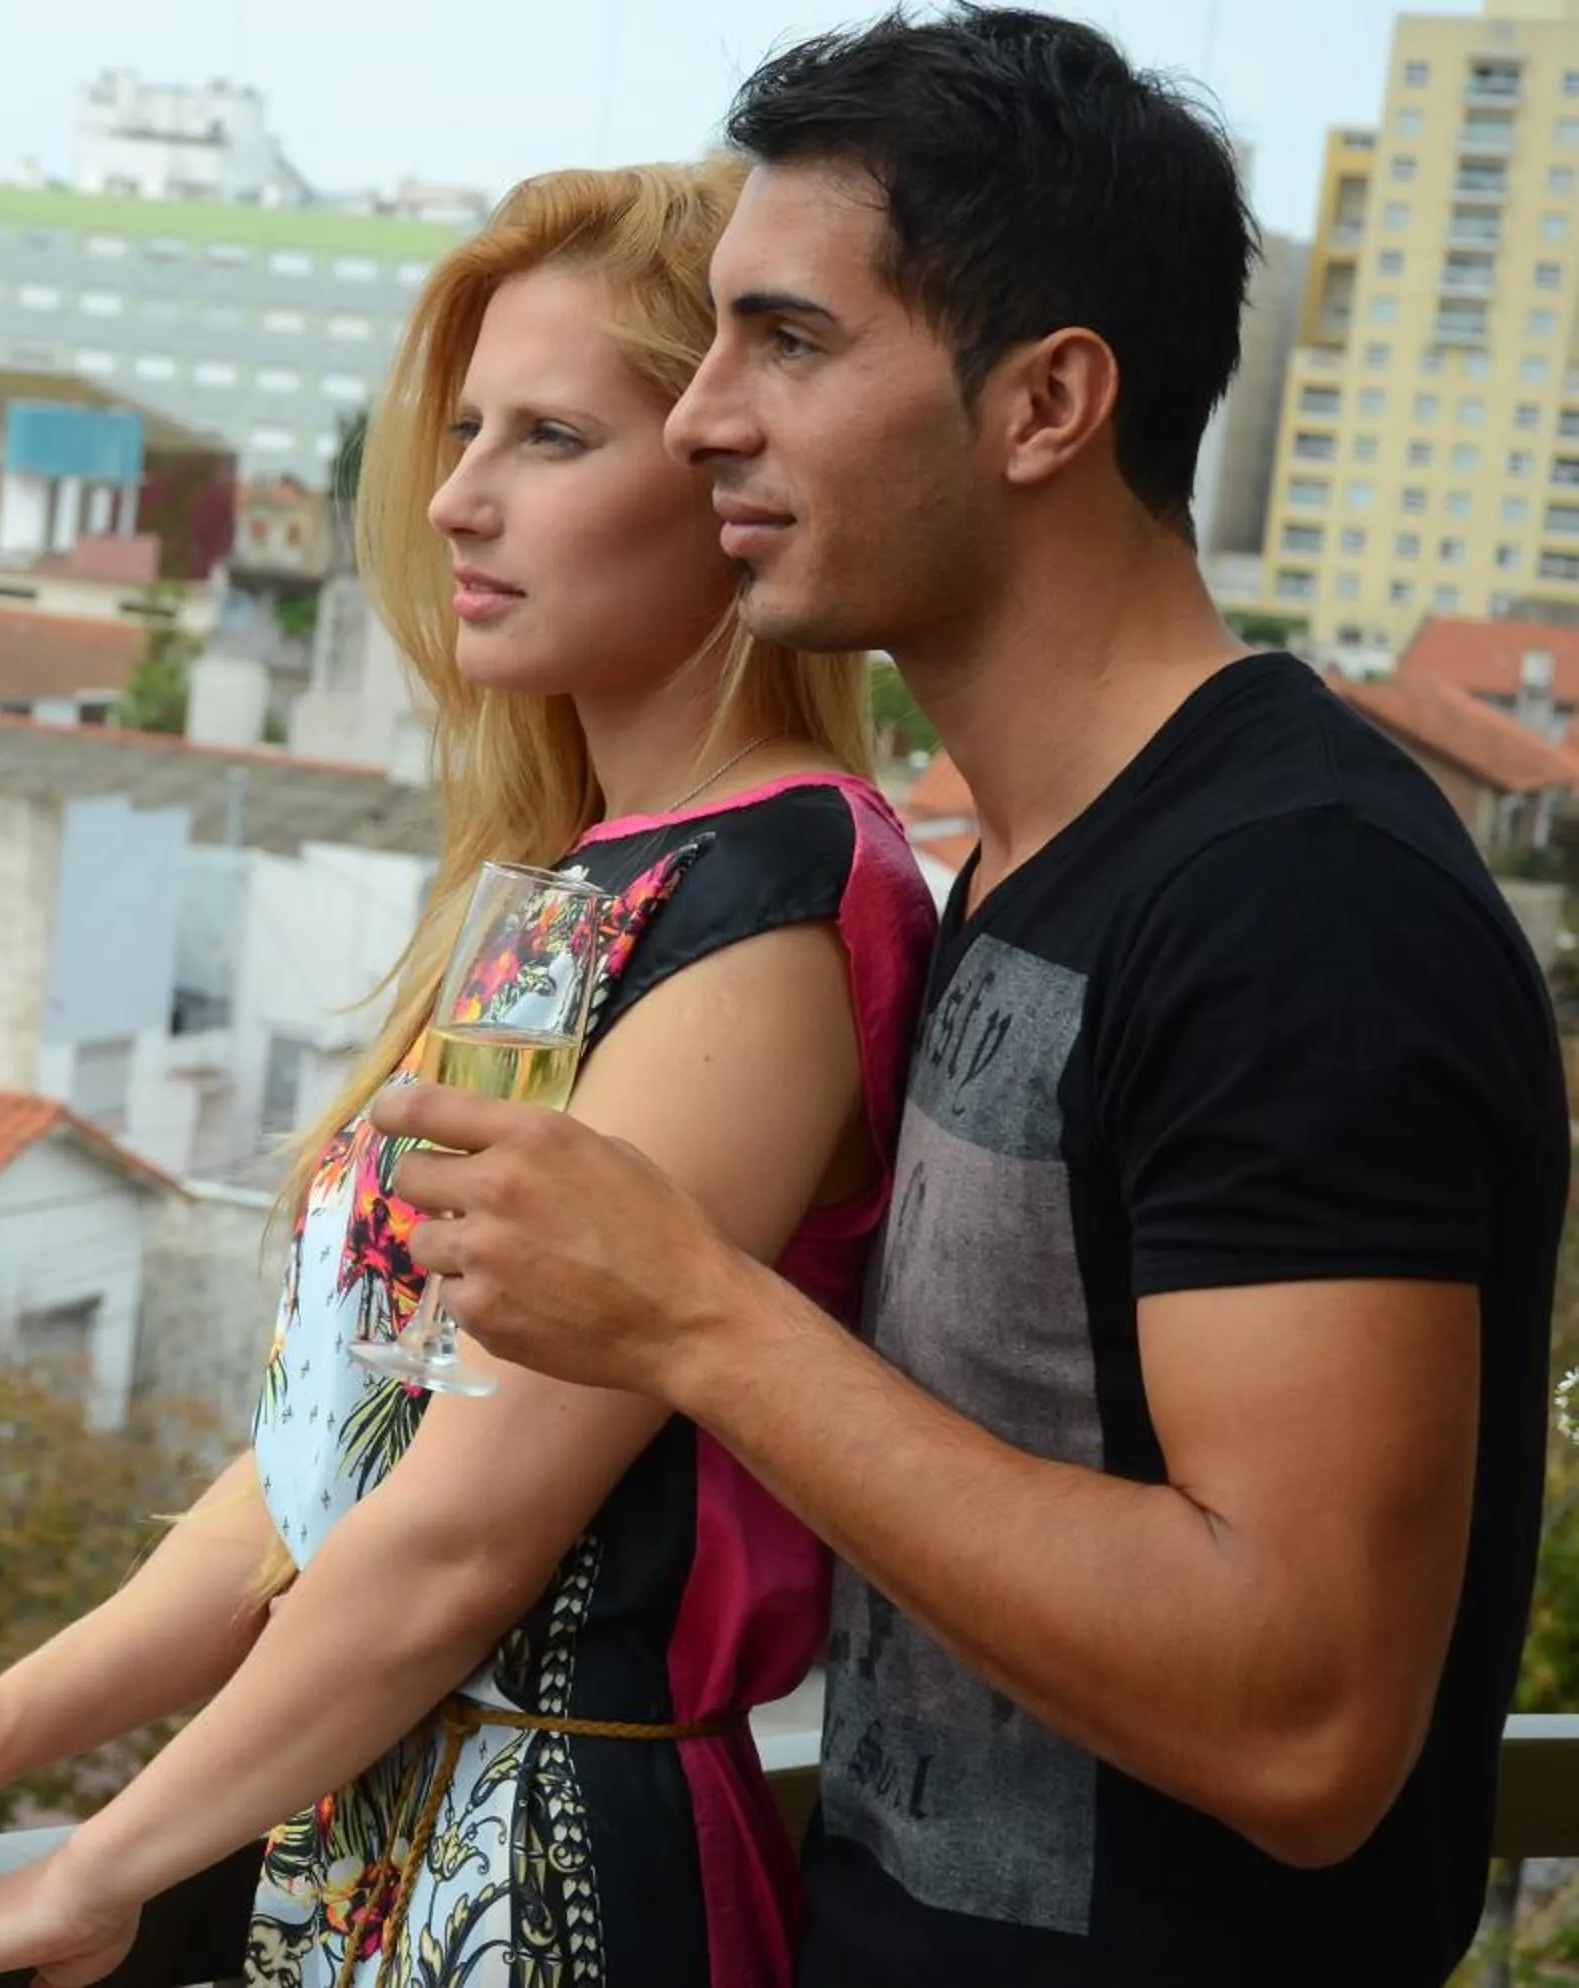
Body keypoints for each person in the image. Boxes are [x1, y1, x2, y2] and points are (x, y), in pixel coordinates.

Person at [365, 12, 1567, 1987]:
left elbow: (1304, 1719)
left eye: (790, 342)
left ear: (1047, 404)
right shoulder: (1026, 865)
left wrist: (697, 1316)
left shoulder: (1302, 909)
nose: (703, 419)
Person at [0, 158, 938, 1988]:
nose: (456, 498)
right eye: (463, 431)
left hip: (548, 1902)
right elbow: (343, 1461)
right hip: (369, 1866)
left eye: (550, 437)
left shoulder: (767, 904)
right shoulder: (584, 887)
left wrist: (81, 1876)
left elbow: (462, 1540)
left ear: (727, 470)